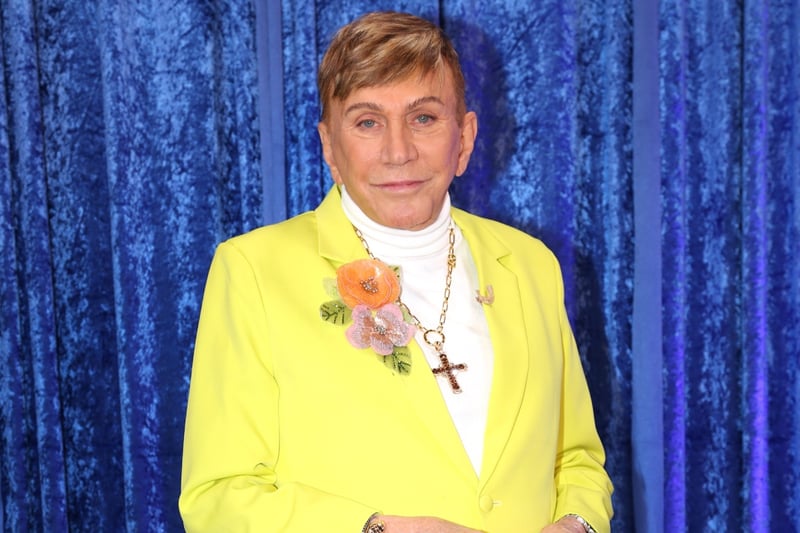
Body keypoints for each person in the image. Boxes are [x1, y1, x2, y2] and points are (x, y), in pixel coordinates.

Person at [179, 11, 613, 533]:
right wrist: (376, 530)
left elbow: (576, 458)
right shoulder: (255, 270)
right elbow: (218, 499)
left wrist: (577, 523)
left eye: (423, 117)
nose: (398, 151)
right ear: (329, 147)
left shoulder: (529, 263)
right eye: (367, 122)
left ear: (465, 138)